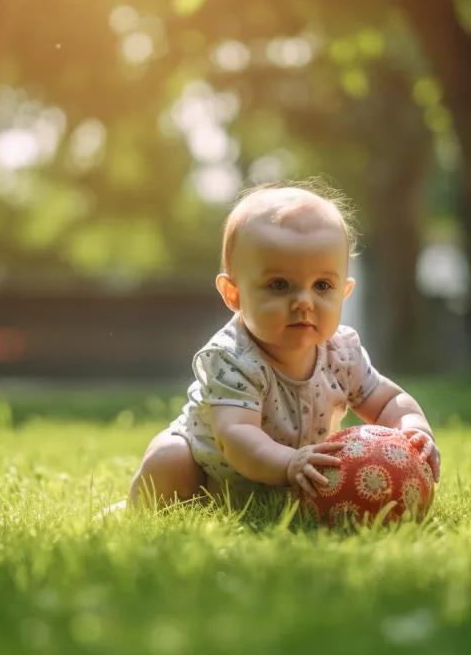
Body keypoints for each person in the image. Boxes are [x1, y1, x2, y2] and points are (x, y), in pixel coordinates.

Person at [129, 182, 440, 508]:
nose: (304, 302)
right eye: (279, 285)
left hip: (297, 472)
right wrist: (289, 463)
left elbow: (388, 401)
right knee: (170, 457)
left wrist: (414, 429)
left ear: (344, 293)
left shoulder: (341, 352)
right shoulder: (233, 359)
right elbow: (237, 437)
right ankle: (137, 509)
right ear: (233, 294)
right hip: (211, 476)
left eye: (322, 285)